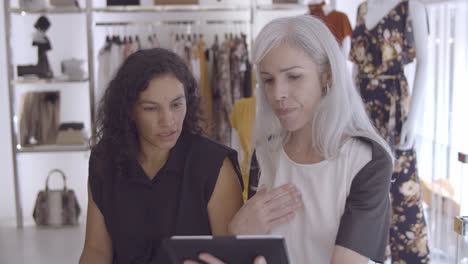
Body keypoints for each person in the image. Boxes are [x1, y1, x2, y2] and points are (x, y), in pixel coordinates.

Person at [188, 15, 394, 264]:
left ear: (327, 75)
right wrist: (235, 235)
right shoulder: (265, 155)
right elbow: (255, 254)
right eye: (268, 80)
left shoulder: (366, 161)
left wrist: (238, 233)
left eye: (293, 77)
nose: (278, 94)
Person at [80, 48, 250, 263]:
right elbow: (96, 251)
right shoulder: (104, 161)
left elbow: (229, 256)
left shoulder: (214, 165)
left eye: (177, 105)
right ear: (129, 111)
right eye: (151, 109)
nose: (168, 120)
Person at [350, 0, 430, 262]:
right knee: (362, 179)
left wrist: (414, 120)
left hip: (393, 105)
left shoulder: (411, 7)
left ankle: (405, 255)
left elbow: (426, 63)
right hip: (362, 106)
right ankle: (365, 253)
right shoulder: (362, 9)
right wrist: (348, 111)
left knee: (399, 182)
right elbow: (354, 68)